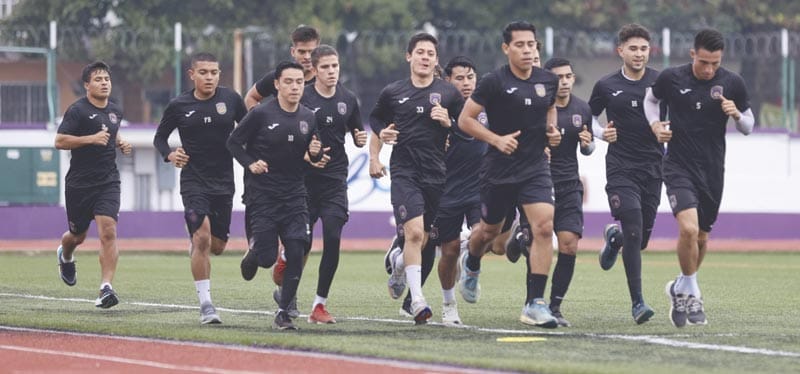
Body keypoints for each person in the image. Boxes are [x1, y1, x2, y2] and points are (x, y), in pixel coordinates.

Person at [645, 29, 753, 328]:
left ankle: (680, 286)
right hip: (678, 164)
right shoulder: (672, 78)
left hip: (713, 169)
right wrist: (655, 126)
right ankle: (693, 291)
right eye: (704, 62)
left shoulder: (732, 82)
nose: (709, 69)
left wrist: (737, 116)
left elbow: (748, 125)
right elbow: (650, 100)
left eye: (715, 64)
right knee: (689, 230)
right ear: (693, 54)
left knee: (702, 236)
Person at [457, 21, 562, 328]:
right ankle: (472, 263)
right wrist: (495, 139)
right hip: (498, 171)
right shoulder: (493, 82)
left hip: (534, 168)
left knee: (543, 228)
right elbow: (465, 119)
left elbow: (550, 109)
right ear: (506, 48)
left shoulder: (548, 80)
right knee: (489, 235)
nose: (527, 50)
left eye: (532, 45)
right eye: (520, 45)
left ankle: (534, 303)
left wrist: (551, 133)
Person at [370, 32, 464, 325]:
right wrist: (381, 139)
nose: (425, 57)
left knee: (422, 238)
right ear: (409, 56)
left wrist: (448, 122)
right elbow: (376, 119)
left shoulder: (449, 94)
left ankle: (399, 265)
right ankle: (418, 300)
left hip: (436, 174)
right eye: (420, 52)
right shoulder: (393, 92)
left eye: (430, 54)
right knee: (413, 233)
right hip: (404, 172)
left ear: (436, 60)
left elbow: (464, 128)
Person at [227, 61, 324, 330]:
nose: (295, 87)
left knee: (297, 249)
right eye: (289, 82)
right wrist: (250, 163)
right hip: (263, 195)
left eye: (299, 82)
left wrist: (315, 153)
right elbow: (233, 142)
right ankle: (254, 253)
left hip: (294, 195)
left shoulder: (309, 117)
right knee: (268, 258)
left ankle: (283, 312)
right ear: (277, 85)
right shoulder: (260, 114)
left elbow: (313, 153)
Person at [153, 52, 247, 324]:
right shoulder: (179, 105)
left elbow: (250, 128)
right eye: (203, 72)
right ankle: (206, 305)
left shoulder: (231, 100)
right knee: (202, 239)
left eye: (214, 72)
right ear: (191, 74)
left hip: (224, 183)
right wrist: (169, 154)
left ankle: (196, 241)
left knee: (217, 246)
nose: (210, 77)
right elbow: (160, 138)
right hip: (193, 181)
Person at [588, 23, 661, 324]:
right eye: (633, 48)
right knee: (633, 228)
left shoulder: (661, 83)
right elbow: (588, 118)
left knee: (639, 240)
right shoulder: (606, 85)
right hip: (620, 168)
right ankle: (638, 303)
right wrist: (602, 134)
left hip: (653, 168)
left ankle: (613, 237)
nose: (639, 54)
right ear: (620, 50)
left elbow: (677, 116)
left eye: (644, 48)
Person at [291, 44, 366, 324]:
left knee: (333, 239)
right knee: (302, 243)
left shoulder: (348, 98)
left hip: (335, 181)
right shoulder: (304, 97)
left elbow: (357, 129)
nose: (331, 71)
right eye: (325, 67)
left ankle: (319, 305)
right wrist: (306, 154)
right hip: (304, 182)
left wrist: (359, 138)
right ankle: (287, 298)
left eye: (335, 66)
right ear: (314, 69)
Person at [54, 61, 132, 309]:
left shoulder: (116, 111)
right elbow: (59, 141)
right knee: (77, 236)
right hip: (79, 184)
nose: (104, 83)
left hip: (108, 181)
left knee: (108, 231)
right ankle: (65, 255)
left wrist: (120, 142)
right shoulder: (77, 110)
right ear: (87, 85)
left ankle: (105, 288)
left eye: (107, 79)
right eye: (98, 79)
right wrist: (91, 139)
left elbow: (111, 129)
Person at [244, 25, 320, 110]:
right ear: (293, 52)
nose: (307, 57)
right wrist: (262, 120)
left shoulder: (324, 81)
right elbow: (251, 98)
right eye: (302, 52)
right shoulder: (278, 77)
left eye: (311, 52)